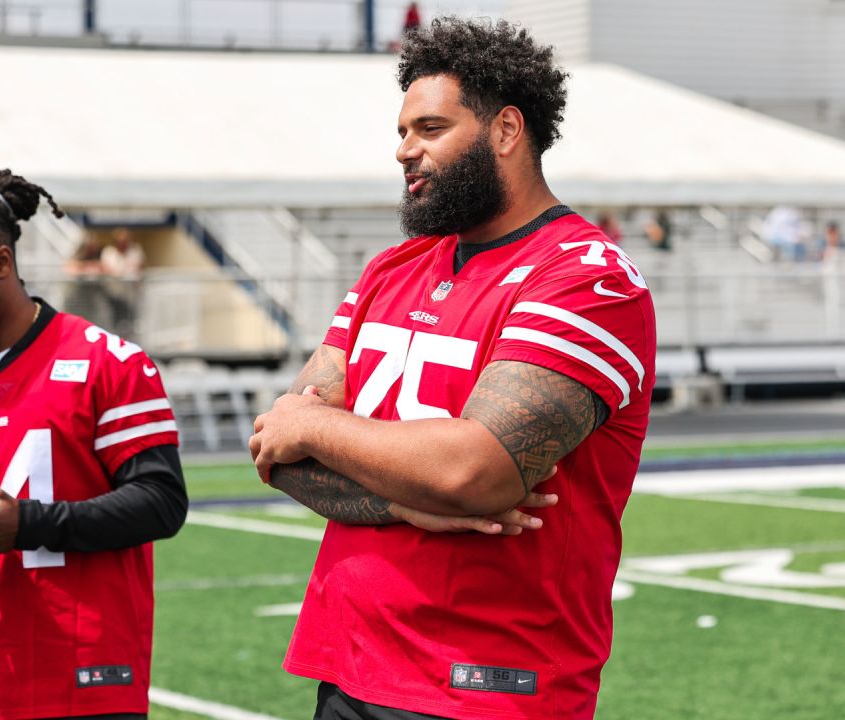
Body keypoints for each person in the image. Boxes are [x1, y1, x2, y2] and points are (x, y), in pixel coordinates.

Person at [248, 18, 656, 720]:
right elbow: (275, 450)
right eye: (403, 132)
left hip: (490, 684)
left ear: (504, 131)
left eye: (430, 128)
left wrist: (315, 426)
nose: (405, 151)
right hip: (351, 665)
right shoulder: (391, 268)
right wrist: (404, 498)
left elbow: (475, 471)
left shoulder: (585, 277)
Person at [0, 169, 187, 720]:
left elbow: (161, 502)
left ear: (1, 262)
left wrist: (24, 524)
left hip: (86, 672)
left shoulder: (108, 361)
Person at [100, 228, 145, 339]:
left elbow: (138, 267)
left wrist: (122, 272)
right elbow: (107, 269)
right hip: (114, 293)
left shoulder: (135, 251)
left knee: (131, 321)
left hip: (131, 294)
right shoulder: (109, 252)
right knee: (115, 320)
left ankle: (130, 341)